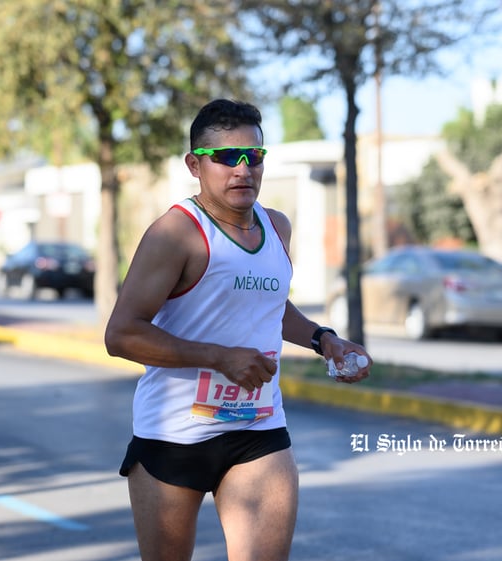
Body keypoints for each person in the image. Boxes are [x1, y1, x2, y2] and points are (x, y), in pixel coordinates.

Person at [104, 99, 372, 561]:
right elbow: (122, 334)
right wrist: (219, 356)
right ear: (195, 165)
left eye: (254, 156)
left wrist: (323, 339)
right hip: (174, 434)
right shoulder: (176, 233)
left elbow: (271, 307)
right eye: (227, 157)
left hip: (258, 426)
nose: (242, 169)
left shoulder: (277, 227)